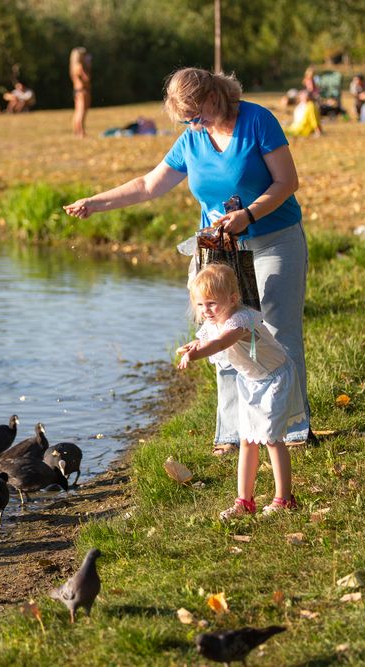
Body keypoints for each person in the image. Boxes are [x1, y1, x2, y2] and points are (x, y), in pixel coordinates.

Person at [64, 67, 312, 449]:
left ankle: (291, 427)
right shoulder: (192, 138)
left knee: (278, 330)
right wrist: (95, 203)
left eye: (198, 115)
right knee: (221, 335)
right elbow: (148, 185)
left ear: (215, 96)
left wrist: (248, 215)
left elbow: (287, 182)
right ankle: (234, 432)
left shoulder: (257, 120)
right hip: (220, 250)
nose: (195, 124)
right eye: (187, 120)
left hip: (274, 239)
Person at [176, 264, 305, 517]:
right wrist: (194, 345)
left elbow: (221, 342)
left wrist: (197, 354)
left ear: (233, 299)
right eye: (200, 305)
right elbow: (208, 338)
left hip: (274, 378)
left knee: (272, 439)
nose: (206, 311)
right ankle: (244, 502)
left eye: (212, 303)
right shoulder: (215, 322)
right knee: (247, 439)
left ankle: (284, 499)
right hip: (251, 382)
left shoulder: (241, 320)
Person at [70, 47, 92, 138]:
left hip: (77, 91)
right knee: (82, 112)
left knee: (77, 112)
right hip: (82, 91)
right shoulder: (80, 66)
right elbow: (86, 79)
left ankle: (76, 131)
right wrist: (88, 65)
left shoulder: (73, 66)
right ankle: (81, 132)